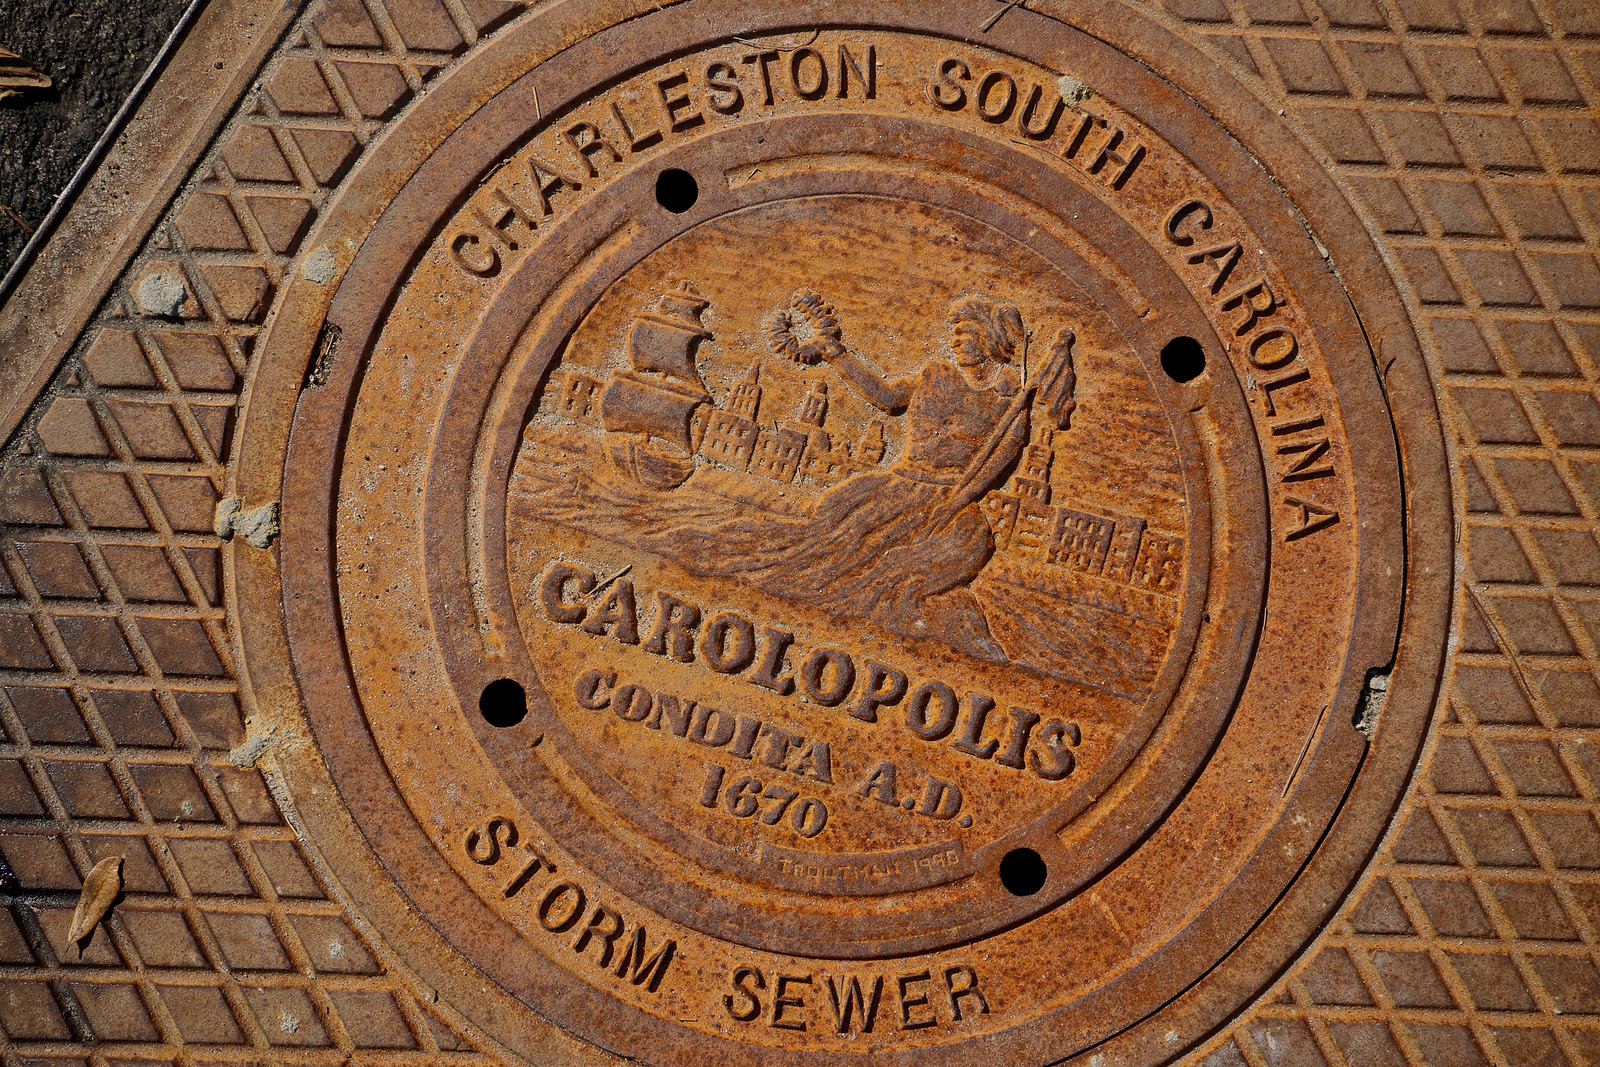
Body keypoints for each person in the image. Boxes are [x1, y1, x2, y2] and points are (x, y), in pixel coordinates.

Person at [670, 293, 1077, 661]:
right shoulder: (935, 375)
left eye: (964, 333)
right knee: (821, 538)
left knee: (919, 569)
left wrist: (953, 503)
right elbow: (886, 398)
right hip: (898, 484)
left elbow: (994, 467)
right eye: (953, 333)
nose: (954, 341)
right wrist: (835, 353)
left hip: (952, 500)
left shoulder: (1012, 408)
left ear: (991, 339)